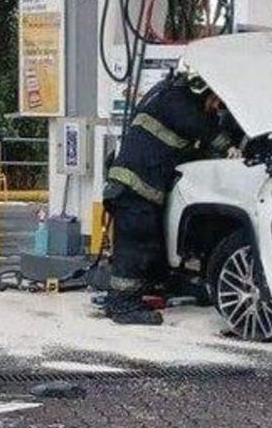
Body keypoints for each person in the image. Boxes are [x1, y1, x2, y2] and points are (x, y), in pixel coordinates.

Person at [102, 67, 243, 325]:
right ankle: (123, 305)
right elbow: (204, 129)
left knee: (148, 246)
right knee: (136, 248)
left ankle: (134, 296)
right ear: (203, 91)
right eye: (216, 102)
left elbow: (187, 150)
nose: (216, 108)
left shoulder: (165, 95)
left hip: (134, 187)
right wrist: (231, 148)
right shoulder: (179, 102)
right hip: (136, 188)